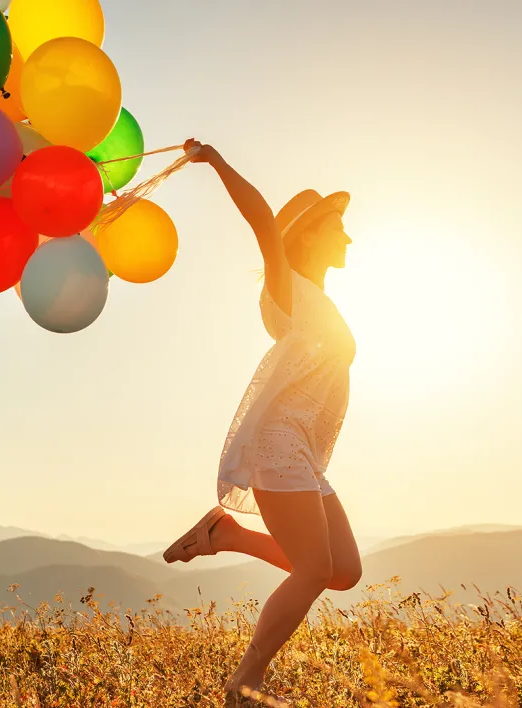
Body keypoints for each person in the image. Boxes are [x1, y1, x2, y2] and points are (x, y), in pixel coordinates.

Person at [162, 138, 363, 705]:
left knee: (341, 570)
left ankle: (226, 535)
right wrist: (218, 163)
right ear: (307, 235)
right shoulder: (289, 289)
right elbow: (261, 224)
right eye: (336, 227)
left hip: (304, 451)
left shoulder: (321, 299)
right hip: (278, 444)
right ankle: (245, 682)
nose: (347, 237)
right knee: (311, 570)